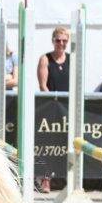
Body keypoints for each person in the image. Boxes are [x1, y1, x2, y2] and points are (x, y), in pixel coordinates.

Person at [36, 26, 71, 193]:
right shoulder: (45, 59)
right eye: (58, 40)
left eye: (64, 41)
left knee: (67, 143)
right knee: (48, 145)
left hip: (67, 108)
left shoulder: (72, 59)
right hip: (50, 108)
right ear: (53, 41)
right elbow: (43, 86)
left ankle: (69, 180)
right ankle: (45, 179)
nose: (61, 44)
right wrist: (54, 102)